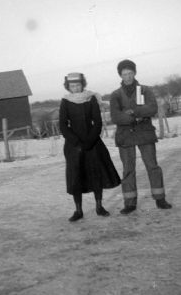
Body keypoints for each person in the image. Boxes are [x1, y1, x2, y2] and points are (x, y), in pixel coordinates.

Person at [110, 59, 173, 214]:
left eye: (130, 73)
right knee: (128, 170)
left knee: (152, 166)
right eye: (124, 74)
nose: (128, 77)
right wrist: (134, 117)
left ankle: (160, 199)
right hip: (125, 136)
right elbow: (115, 117)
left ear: (135, 73)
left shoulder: (145, 90)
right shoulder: (116, 95)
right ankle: (130, 203)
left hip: (145, 133)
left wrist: (134, 112)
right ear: (120, 75)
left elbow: (152, 108)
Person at [59, 72, 121, 222]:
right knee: (76, 176)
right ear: (68, 87)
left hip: (92, 143)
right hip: (73, 146)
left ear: (82, 84)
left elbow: (97, 122)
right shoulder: (65, 101)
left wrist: (89, 141)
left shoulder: (91, 98)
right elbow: (63, 125)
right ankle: (78, 210)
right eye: (72, 86)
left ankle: (99, 206)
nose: (75, 88)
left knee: (96, 173)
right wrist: (76, 142)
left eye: (78, 85)